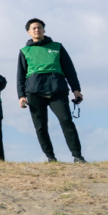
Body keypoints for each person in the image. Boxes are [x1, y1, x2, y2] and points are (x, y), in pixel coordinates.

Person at [17, 18, 85, 163]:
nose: (37, 30)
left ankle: (77, 156)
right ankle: (50, 157)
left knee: (66, 121)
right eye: (34, 28)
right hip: (34, 92)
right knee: (40, 126)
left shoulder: (57, 47)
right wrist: (21, 95)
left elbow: (69, 70)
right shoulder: (24, 51)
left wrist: (76, 90)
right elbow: (20, 75)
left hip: (57, 90)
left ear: (44, 30)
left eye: (39, 27)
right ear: (29, 32)